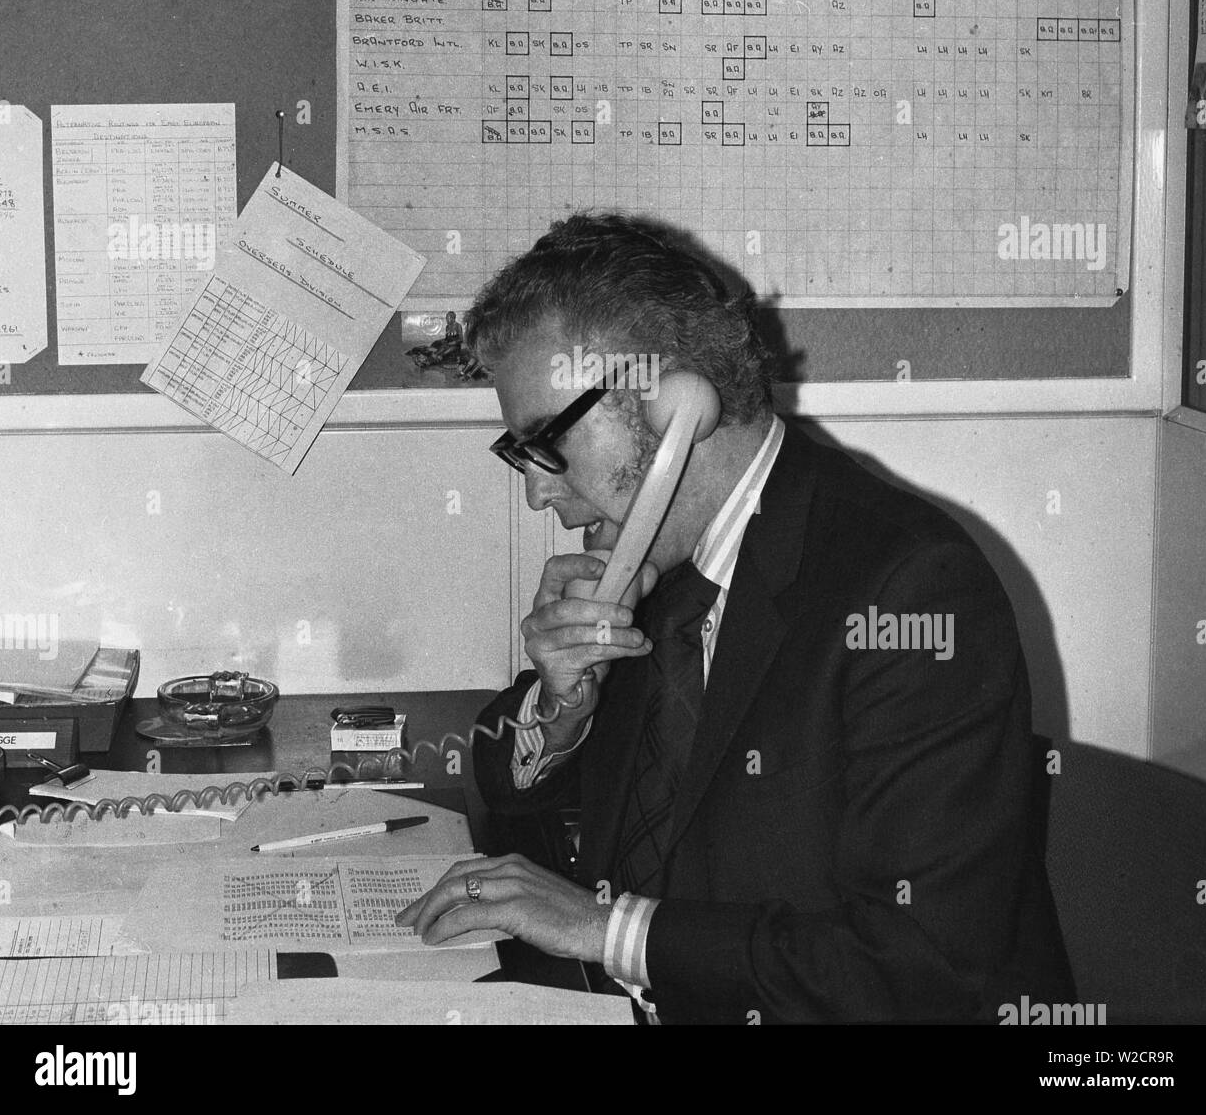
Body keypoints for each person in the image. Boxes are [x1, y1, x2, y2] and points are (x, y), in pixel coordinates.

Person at [397, 212, 1074, 1024]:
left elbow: (919, 966)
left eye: (546, 443)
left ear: (676, 405)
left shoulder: (908, 589)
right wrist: (561, 706)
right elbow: (504, 784)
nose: (538, 491)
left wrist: (601, 929)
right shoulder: (670, 565)